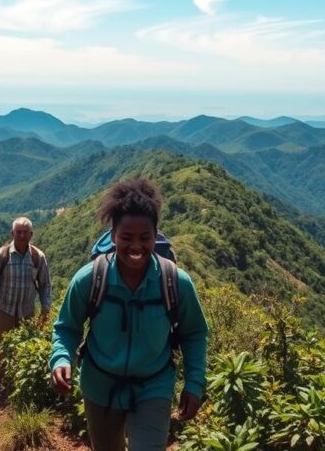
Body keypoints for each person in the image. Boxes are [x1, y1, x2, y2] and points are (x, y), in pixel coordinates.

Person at [50, 179, 209, 451]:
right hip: (100, 387)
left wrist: (194, 383)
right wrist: (61, 358)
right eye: (126, 237)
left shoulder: (174, 283)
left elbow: (194, 333)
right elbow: (67, 326)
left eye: (145, 238)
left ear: (156, 234)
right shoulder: (90, 280)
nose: (136, 246)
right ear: (113, 235)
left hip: (154, 387)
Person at [0, 216, 52, 393]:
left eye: (25, 233)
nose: (22, 236)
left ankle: (17, 379)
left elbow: (45, 285)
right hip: (4, 309)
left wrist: (46, 308)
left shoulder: (38, 257)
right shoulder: (2, 255)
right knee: (0, 344)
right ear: (12, 233)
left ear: (31, 234)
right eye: (18, 232)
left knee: (24, 343)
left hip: (27, 310)